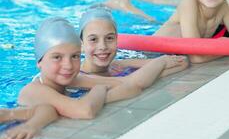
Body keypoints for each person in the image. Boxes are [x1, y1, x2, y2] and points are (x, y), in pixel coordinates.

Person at [19, 17, 188, 119]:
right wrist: (100, 89)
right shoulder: (34, 90)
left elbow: (130, 86)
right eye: (57, 57)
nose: (68, 65)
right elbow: (85, 110)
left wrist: (163, 62)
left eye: (75, 56)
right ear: (39, 62)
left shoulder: (73, 79)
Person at [79, 5, 189, 77]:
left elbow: (182, 62)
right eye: (93, 39)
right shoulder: (76, 77)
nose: (102, 46)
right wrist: (158, 65)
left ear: (117, 40)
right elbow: (130, 84)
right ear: (81, 45)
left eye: (109, 38)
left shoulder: (118, 65)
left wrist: (125, 63)